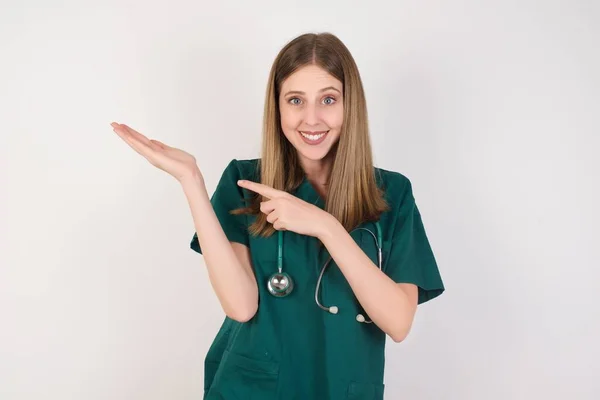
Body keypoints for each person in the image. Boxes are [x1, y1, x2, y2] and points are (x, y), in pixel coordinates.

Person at [112, 32, 444, 400]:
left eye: (328, 100)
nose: (312, 119)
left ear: (351, 106)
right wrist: (191, 181)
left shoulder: (392, 194)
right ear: (278, 107)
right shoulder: (245, 183)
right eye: (296, 100)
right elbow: (240, 306)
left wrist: (325, 226)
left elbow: (398, 322)